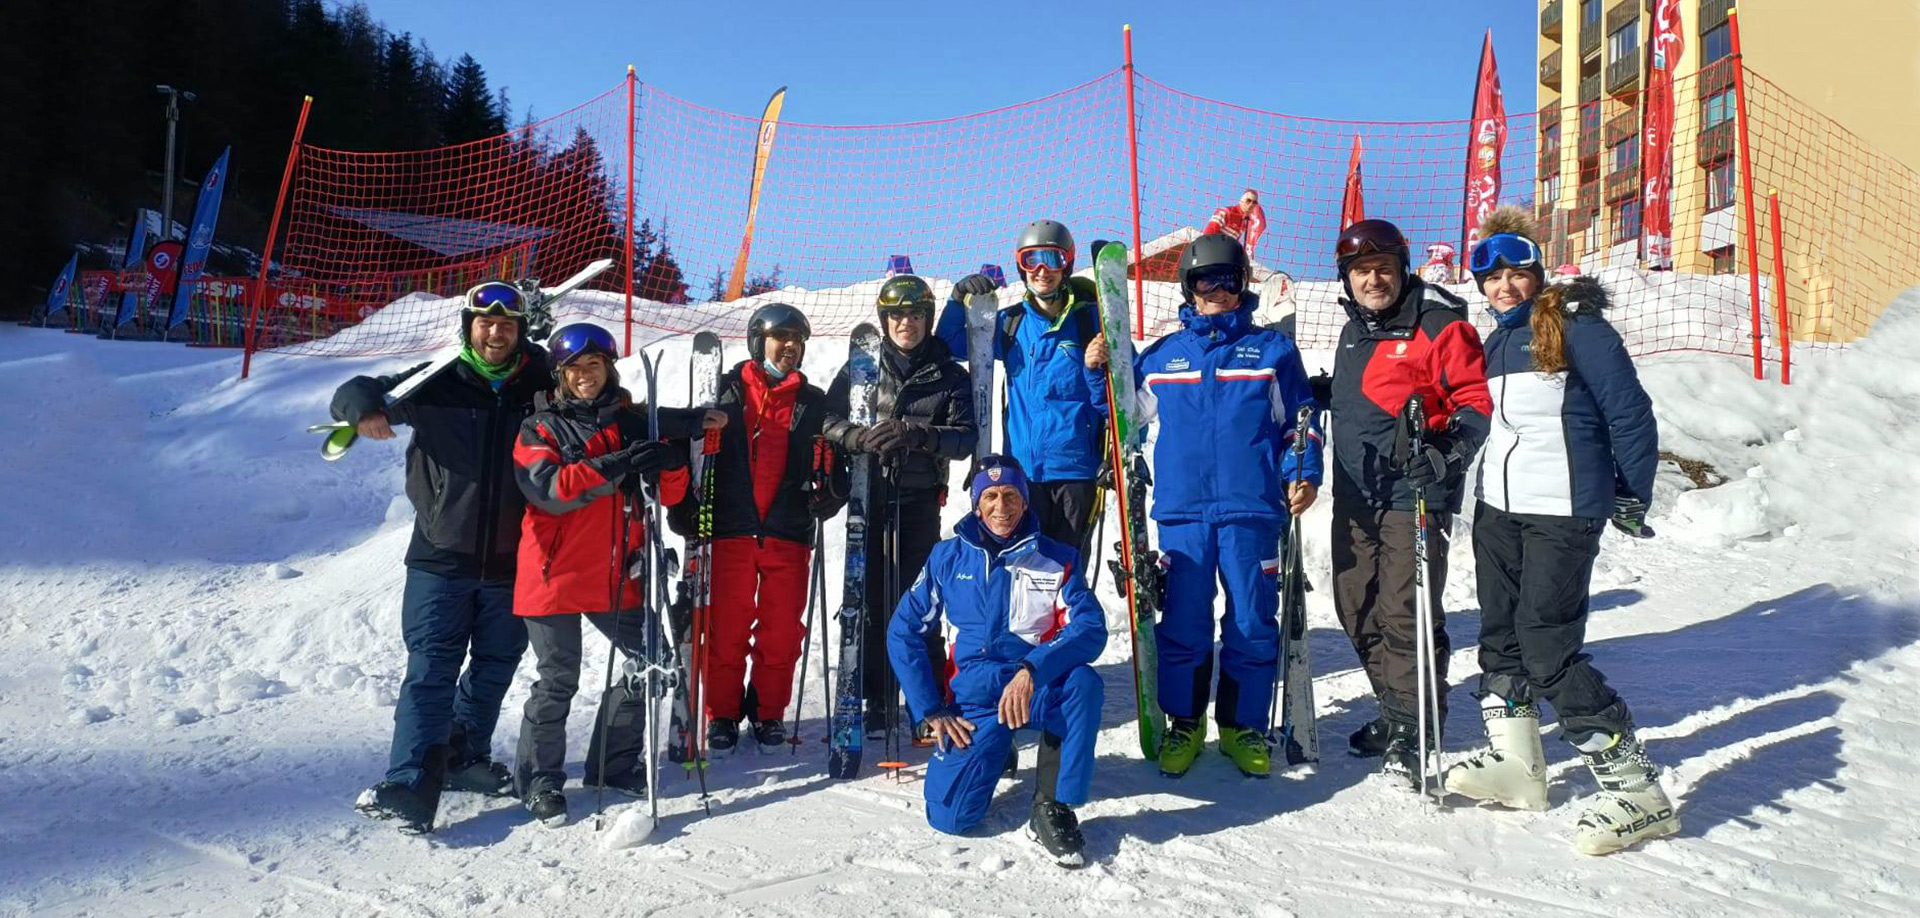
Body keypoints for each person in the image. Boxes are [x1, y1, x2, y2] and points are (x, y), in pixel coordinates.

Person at [1443, 207, 1676, 855]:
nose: (1503, 288)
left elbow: (1630, 414)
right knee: (1500, 637)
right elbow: (1483, 422)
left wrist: (1631, 492)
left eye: (1516, 274)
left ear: (1536, 274)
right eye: (1490, 278)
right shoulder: (1491, 343)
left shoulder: (1578, 330)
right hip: (1499, 510)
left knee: (1547, 645)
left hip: (1564, 509)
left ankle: (1638, 791)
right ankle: (1520, 769)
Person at [1094, 232, 1322, 779]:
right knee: (1184, 624)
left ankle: (1242, 725)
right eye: (1204, 281)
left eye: (1226, 280)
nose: (1216, 290)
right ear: (1189, 289)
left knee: (1250, 621)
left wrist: (1304, 473)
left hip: (1251, 511)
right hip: (1183, 515)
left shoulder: (1272, 351)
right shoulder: (1166, 356)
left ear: (1241, 285)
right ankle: (1185, 722)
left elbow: (1300, 423)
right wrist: (1099, 366)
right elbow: (1125, 413)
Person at [334, 280, 550, 834]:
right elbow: (357, 390)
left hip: (513, 558)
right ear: (469, 328)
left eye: (506, 324)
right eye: (485, 323)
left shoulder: (541, 384)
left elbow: (596, 392)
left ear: (520, 329)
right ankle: (409, 782)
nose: (496, 333)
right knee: (430, 671)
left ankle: (464, 755)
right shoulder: (437, 380)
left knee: (496, 665)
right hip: (440, 557)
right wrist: (363, 411)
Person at [508, 322, 709, 826]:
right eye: (574, 369)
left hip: (618, 571)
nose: (584, 377)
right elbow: (550, 488)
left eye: (593, 367)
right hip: (554, 572)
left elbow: (671, 496)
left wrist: (669, 462)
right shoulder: (540, 428)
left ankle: (612, 764)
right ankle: (539, 781)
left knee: (652, 663)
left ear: (608, 369)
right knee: (558, 678)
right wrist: (620, 461)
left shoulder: (631, 420)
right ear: (559, 375)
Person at [1322, 218, 1493, 789]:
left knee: (1404, 612)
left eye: (1384, 270)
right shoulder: (1355, 330)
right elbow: (1362, 392)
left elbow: (1474, 403)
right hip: (1355, 492)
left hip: (1413, 494)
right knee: (1355, 605)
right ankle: (1396, 708)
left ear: (1402, 271)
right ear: (1347, 279)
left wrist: (1447, 453)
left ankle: (1417, 728)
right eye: (1361, 271)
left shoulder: (1438, 325)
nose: (1374, 281)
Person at [887, 455, 1106, 868]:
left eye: (1010, 496)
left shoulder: (1056, 558)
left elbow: (1090, 627)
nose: (1000, 507)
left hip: (1033, 688)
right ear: (976, 505)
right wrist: (930, 709)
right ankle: (996, 746)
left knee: (1082, 685)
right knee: (950, 817)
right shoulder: (947, 559)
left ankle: (1052, 806)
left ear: (1025, 503)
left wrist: (1034, 668)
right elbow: (903, 631)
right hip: (976, 699)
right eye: (990, 496)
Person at [823, 276, 976, 737]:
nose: (904, 324)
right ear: (884, 320)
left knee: (919, 602)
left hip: (918, 499)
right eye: (895, 316)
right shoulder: (862, 366)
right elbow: (827, 420)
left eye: (913, 315)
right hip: (868, 498)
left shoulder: (949, 375)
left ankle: (926, 703)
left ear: (928, 319)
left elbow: (965, 437)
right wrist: (856, 437)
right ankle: (876, 697)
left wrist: (919, 435)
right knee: (870, 599)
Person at [689, 303, 846, 753]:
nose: (791, 349)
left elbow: (832, 459)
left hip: (788, 531)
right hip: (730, 530)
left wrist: (830, 491)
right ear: (759, 341)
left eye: (798, 342)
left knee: (781, 632)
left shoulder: (812, 402)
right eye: (782, 339)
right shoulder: (723, 392)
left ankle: (768, 713)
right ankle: (721, 713)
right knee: (726, 629)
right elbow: (691, 449)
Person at [936, 220, 1109, 562]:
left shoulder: (1090, 322)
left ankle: (1071, 618)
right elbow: (951, 346)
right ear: (1020, 266)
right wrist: (957, 302)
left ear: (1067, 265)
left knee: (1067, 568)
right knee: (1024, 567)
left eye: (1052, 259)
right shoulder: (1011, 324)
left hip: (1076, 472)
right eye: (1032, 260)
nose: (1042, 270)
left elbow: (1122, 393)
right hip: (1022, 474)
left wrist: (1118, 458)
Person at [1205, 188, 1268, 262]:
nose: (1251, 204)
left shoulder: (1245, 223)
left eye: (1254, 203)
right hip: (1211, 249)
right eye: (1248, 200)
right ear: (1241, 201)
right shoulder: (1226, 212)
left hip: (1223, 255)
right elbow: (1209, 233)